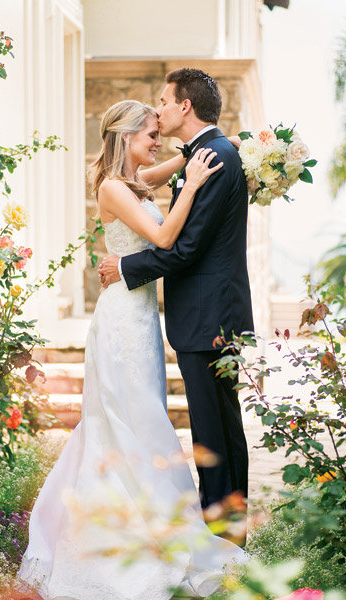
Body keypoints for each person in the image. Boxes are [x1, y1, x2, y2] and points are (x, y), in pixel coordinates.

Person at [17, 99, 246, 600]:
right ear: (125, 138)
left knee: (141, 421)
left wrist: (202, 155)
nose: (156, 142)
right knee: (130, 422)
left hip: (142, 319)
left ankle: (147, 527)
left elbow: (172, 168)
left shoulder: (135, 182)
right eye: (148, 136)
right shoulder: (113, 188)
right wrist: (197, 187)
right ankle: (123, 541)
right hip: (122, 318)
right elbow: (164, 236)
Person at [99, 68, 254, 510]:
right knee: (216, 426)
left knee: (214, 430)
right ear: (127, 139)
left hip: (208, 316)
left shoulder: (211, 157)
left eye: (164, 103)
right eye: (148, 129)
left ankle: (224, 527)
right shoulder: (201, 156)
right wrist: (196, 163)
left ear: (185, 106)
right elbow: (166, 194)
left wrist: (125, 266)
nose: (159, 113)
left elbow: (181, 247)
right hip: (204, 315)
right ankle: (227, 524)